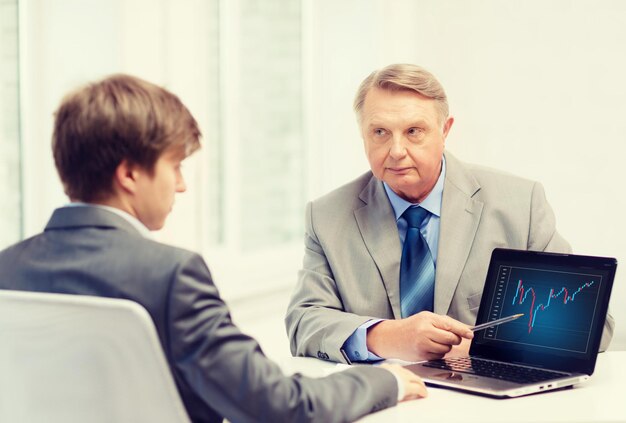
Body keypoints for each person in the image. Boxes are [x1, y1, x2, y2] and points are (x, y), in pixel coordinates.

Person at [0, 74, 428, 423]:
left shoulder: (8, 269)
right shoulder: (171, 275)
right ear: (129, 174)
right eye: (175, 165)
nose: (182, 184)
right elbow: (280, 406)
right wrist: (385, 382)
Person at [285, 63, 614, 364]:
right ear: (363, 135)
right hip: (384, 399)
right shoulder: (326, 217)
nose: (396, 151)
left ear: (445, 131)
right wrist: (383, 336)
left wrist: (484, 345)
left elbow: (594, 327)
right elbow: (304, 321)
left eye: (414, 131)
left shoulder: (520, 203)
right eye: (380, 133)